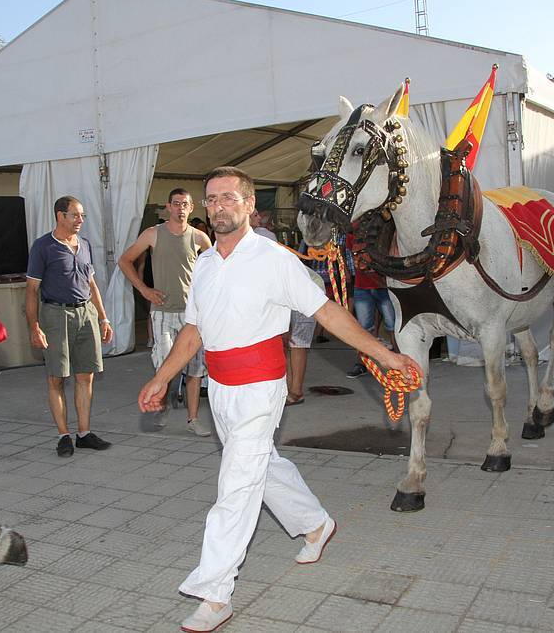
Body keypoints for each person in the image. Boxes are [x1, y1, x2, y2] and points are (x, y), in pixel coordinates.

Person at [137, 167, 420, 632]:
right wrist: (161, 378)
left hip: (260, 388)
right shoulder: (204, 263)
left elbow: (327, 311)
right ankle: (316, 524)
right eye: (212, 199)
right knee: (260, 467)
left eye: (229, 197)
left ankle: (214, 593)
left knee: (236, 486)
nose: (218, 206)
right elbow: (193, 331)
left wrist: (384, 354)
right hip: (221, 389)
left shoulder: (274, 259)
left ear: (250, 205)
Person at [119, 188, 214, 437]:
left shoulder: (200, 238)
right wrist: (144, 290)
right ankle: (161, 407)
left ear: (191, 208)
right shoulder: (153, 234)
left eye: (185, 204)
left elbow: (215, 271)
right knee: (164, 366)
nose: (180, 208)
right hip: (162, 312)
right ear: (168, 207)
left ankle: (193, 419)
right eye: (176, 203)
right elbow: (125, 260)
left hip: (191, 315)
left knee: (194, 369)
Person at [26, 195, 114, 457]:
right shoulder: (43, 247)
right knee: (57, 378)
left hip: (85, 313)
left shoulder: (84, 245)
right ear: (60, 216)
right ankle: (63, 436)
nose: (80, 220)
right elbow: (31, 290)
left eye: (82, 215)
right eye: (75, 215)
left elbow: (92, 284)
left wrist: (103, 318)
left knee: (86, 375)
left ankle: (84, 434)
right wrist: (34, 327)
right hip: (56, 315)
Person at [346, 232, 397, 378]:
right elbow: (348, 254)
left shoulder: (383, 228)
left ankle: (398, 362)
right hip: (362, 286)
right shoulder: (352, 232)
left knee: (393, 325)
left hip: (383, 285)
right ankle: (362, 363)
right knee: (364, 328)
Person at [285, 266, 326, 406]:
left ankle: (296, 392)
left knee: (297, 342)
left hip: (308, 291)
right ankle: (287, 388)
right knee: (284, 341)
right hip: (286, 295)